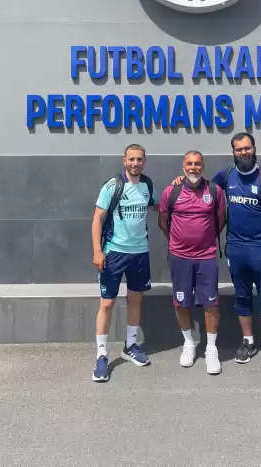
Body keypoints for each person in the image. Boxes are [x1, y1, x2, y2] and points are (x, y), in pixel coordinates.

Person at [172, 132, 261, 369]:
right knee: (241, 296)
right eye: (239, 149)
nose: (243, 152)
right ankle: (248, 342)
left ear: (254, 148)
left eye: (247, 148)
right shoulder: (226, 176)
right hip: (235, 247)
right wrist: (181, 180)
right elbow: (200, 185)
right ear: (233, 151)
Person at [91, 144, 159, 382]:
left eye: (139, 159)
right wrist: (97, 251)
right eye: (131, 159)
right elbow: (98, 218)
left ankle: (130, 346)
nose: (135, 163)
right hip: (114, 253)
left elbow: (158, 204)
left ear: (144, 161)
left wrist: (179, 186)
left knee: (135, 299)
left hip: (140, 253)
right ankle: (101, 355)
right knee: (107, 303)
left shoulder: (147, 185)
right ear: (124, 161)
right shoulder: (113, 186)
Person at [158, 150, 226, 374]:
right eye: (189, 164)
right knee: (181, 302)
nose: (193, 168)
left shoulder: (214, 191)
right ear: (183, 166)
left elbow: (221, 219)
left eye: (197, 164)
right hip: (179, 256)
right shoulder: (171, 191)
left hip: (207, 256)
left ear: (203, 166)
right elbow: (163, 221)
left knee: (211, 302)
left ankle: (211, 348)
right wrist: (179, 240)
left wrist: (203, 238)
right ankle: (189, 343)